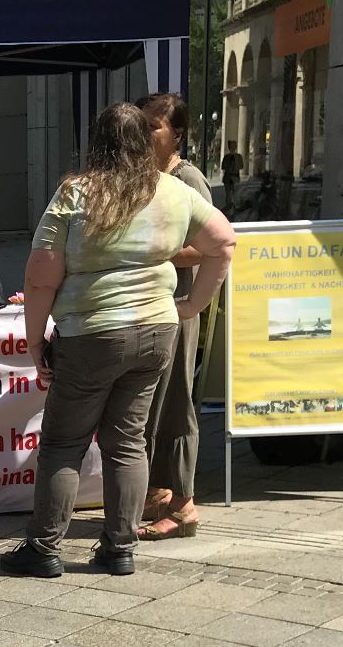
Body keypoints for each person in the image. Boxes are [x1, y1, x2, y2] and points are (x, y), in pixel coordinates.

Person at [0, 102, 235, 578]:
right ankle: (119, 547)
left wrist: (34, 338)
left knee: (64, 442)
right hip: (156, 333)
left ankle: (44, 549)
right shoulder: (171, 190)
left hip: (90, 334)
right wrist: (191, 306)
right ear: (143, 143)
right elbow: (224, 242)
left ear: (98, 143)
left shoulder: (76, 192)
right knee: (127, 442)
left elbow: (42, 275)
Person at [135, 94, 213, 541]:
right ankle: (160, 490)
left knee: (178, 401)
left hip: (181, 308)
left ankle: (184, 506)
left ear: (176, 134)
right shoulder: (150, 178)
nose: (144, 136)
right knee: (154, 403)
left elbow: (208, 245)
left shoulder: (188, 179)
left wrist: (150, 249)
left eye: (152, 128)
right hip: (154, 307)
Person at [221, 141, 244, 209]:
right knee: (228, 195)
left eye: (234, 145)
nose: (233, 147)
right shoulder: (226, 157)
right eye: (231, 146)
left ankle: (234, 207)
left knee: (235, 194)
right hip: (228, 177)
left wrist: (235, 167)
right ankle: (228, 207)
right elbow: (223, 167)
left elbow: (241, 166)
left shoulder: (239, 156)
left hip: (235, 176)